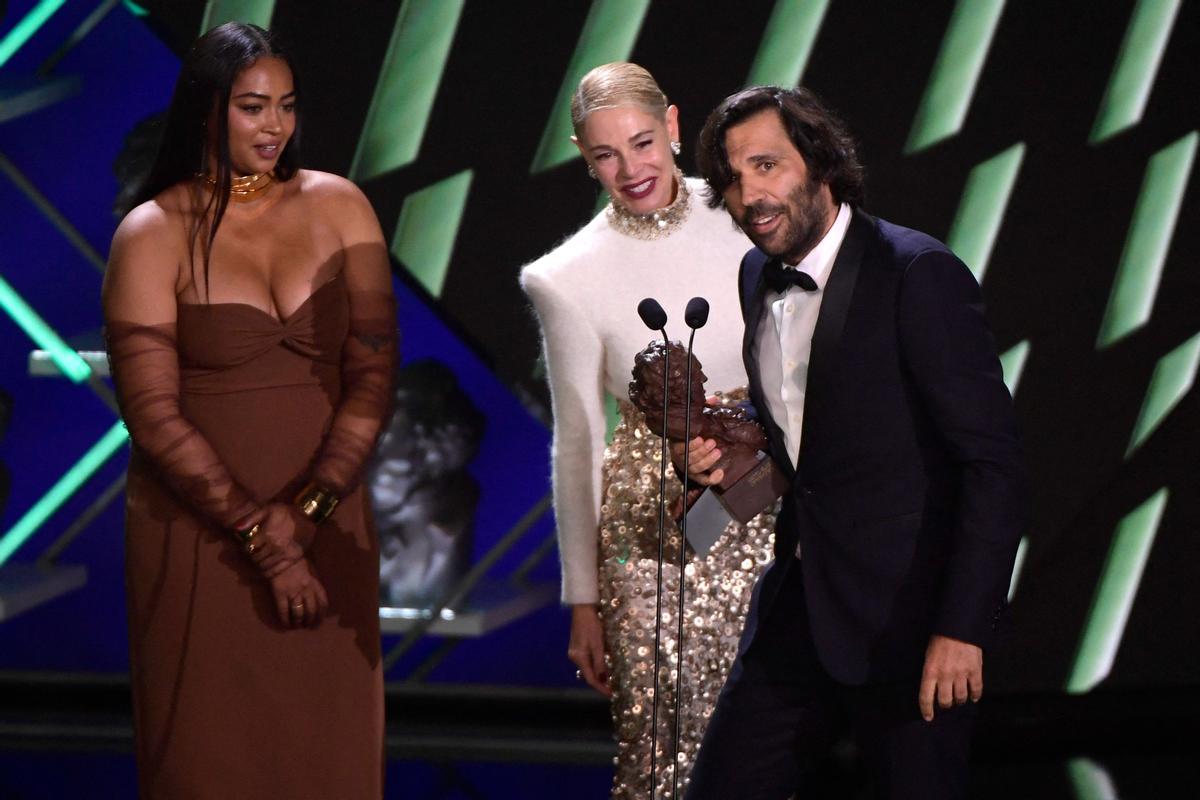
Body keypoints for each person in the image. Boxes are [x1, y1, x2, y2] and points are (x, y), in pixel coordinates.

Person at [679, 86, 1028, 799]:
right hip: (801, 602)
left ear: (822, 163)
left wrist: (964, 627)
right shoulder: (756, 276)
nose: (750, 195)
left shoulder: (916, 273)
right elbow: (813, 444)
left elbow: (993, 463)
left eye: (767, 166)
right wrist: (733, 462)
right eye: (733, 180)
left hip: (911, 620)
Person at [102, 23, 395, 799]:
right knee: (211, 756)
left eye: (287, 108)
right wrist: (264, 539)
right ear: (207, 111)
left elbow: (372, 374)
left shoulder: (341, 206)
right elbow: (152, 413)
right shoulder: (152, 232)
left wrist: (306, 515)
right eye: (253, 108)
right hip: (203, 534)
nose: (275, 127)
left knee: (327, 754)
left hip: (329, 520)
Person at [520, 63, 776, 798]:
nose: (629, 169)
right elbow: (575, 444)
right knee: (663, 758)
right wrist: (584, 600)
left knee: (765, 749)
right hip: (654, 539)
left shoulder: (748, 216)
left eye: (640, 142)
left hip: (769, 504)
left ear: (671, 125)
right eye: (605, 154)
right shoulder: (564, 277)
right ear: (582, 154)